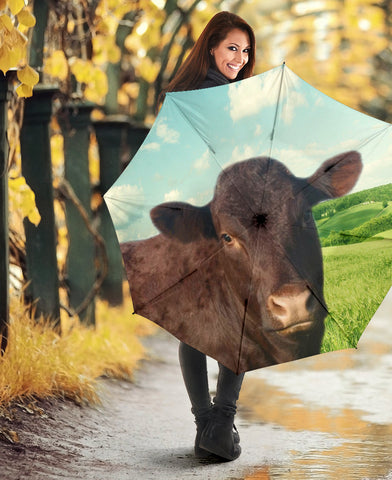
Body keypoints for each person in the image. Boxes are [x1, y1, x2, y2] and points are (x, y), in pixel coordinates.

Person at [160, 11, 256, 462]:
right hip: (226, 223)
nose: (239, 57)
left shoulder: (179, 97)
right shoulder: (224, 101)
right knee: (238, 320)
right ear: (212, 48)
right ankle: (221, 420)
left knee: (196, 322)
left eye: (244, 50)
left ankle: (206, 424)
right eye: (232, 48)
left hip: (190, 220)